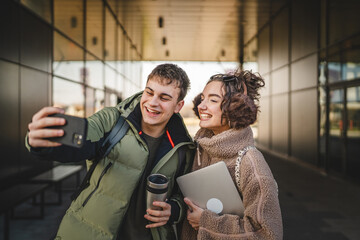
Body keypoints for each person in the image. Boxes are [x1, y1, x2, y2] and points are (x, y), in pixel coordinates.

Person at [26, 63, 195, 240]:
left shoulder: (184, 148)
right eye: (149, 92)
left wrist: (174, 210)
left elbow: (185, 197)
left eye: (164, 98)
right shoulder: (111, 120)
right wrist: (44, 141)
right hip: (88, 231)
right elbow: (84, 139)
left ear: (178, 106)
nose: (152, 102)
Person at [181, 70, 283, 240]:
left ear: (235, 107)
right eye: (202, 98)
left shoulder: (251, 163)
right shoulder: (199, 148)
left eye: (213, 100)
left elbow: (267, 234)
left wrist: (206, 222)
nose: (201, 106)